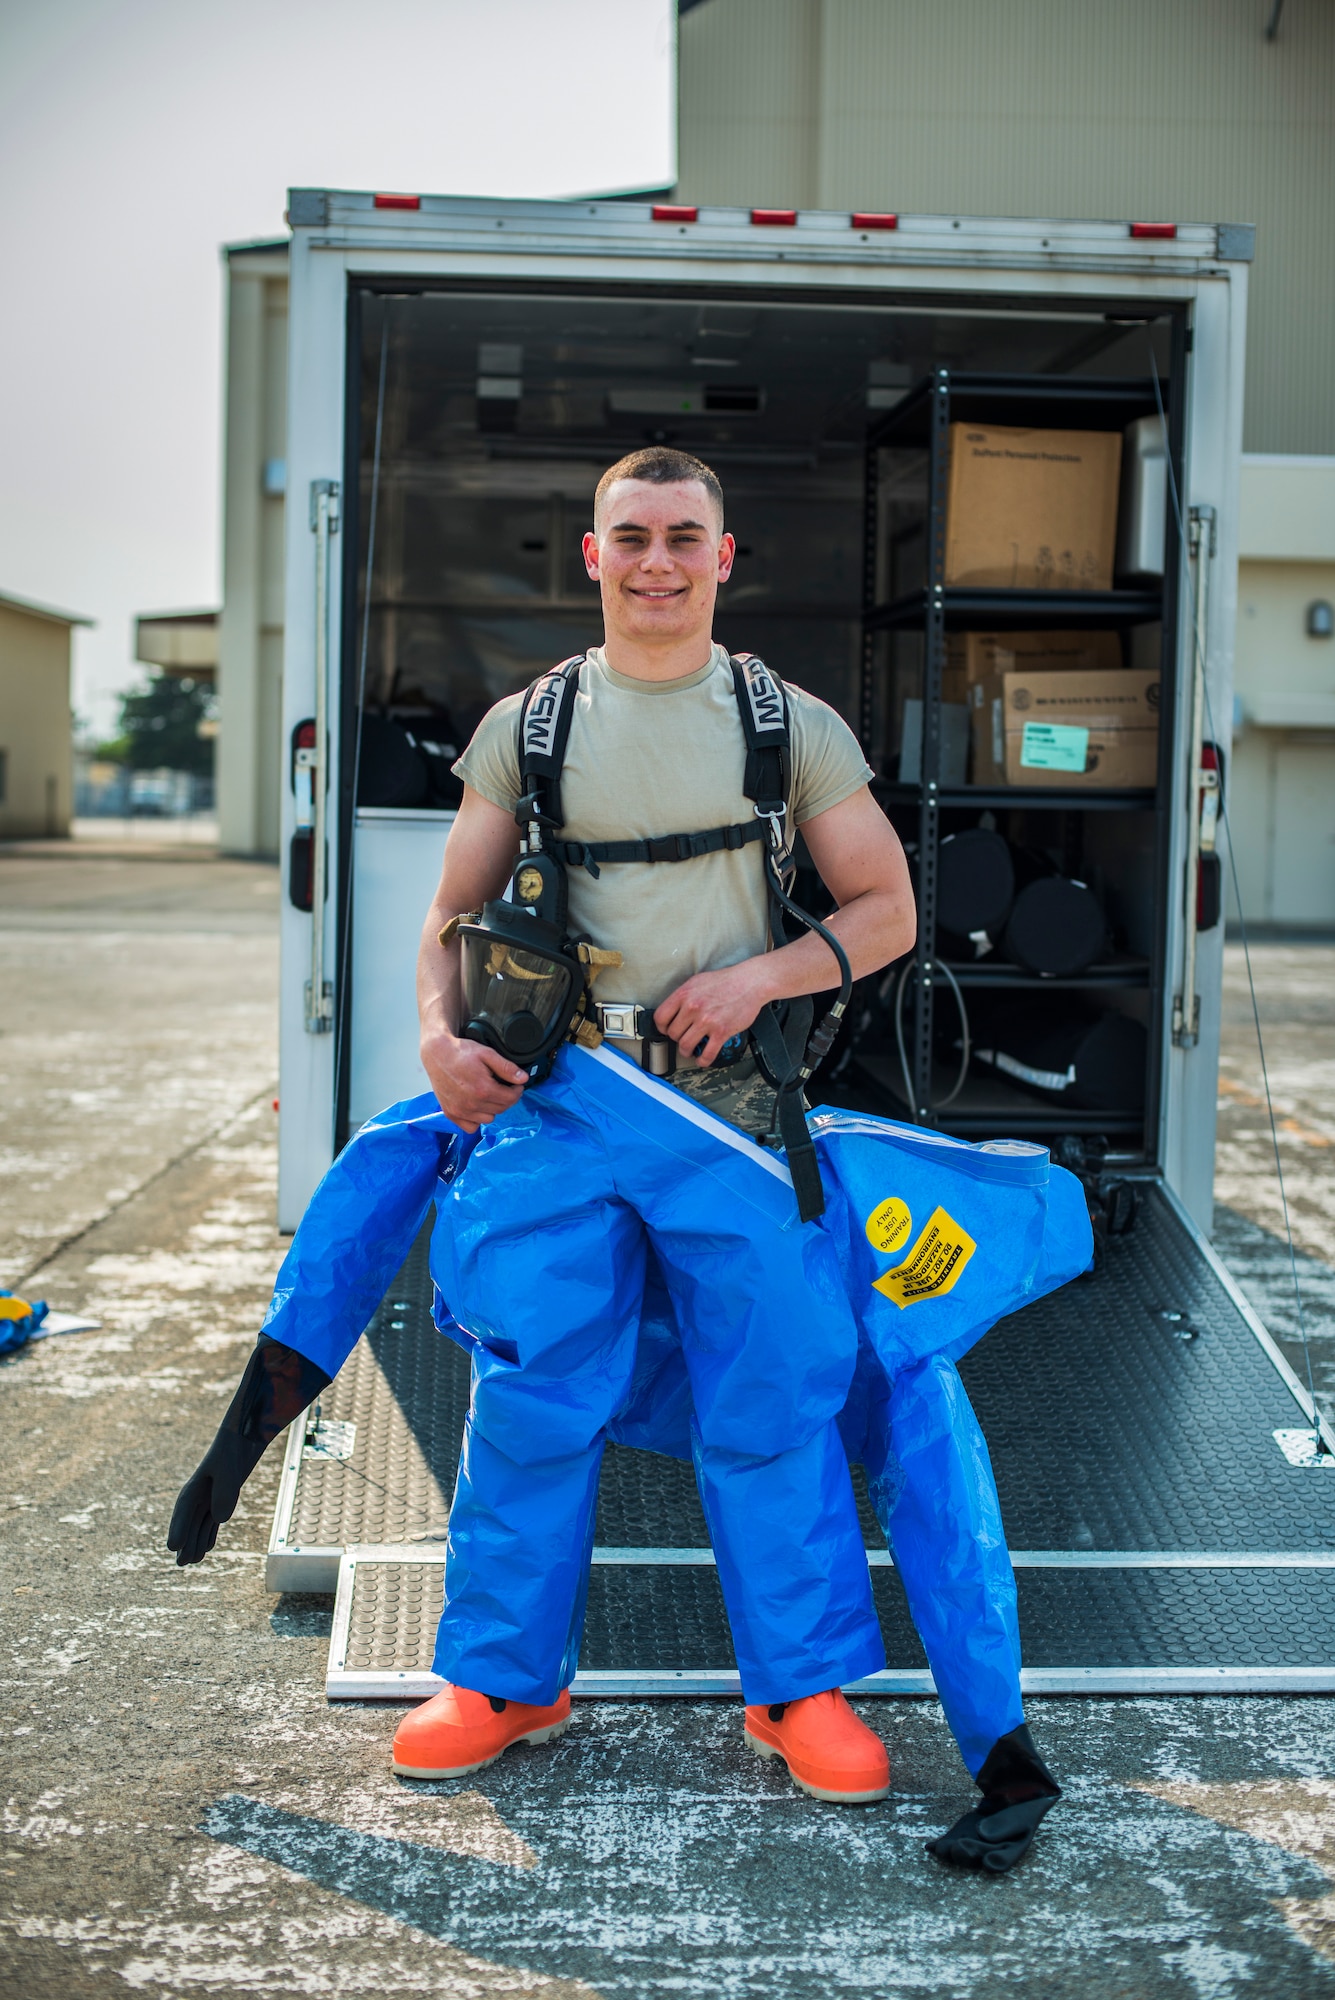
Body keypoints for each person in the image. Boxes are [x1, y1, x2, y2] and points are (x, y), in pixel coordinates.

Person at [170, 446, 1075, 1867]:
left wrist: (768, 979)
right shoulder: (527, 729)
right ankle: (503, 1681)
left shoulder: (792, 726)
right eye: (632, 538)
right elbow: (447, 921)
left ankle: (799, 1692)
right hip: (558, 1114)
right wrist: (433, 1037)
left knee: (773, 1403)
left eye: (685, 537)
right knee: (535, 1397)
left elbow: (887, 908)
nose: (658, 563)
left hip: (733, 1118)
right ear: (592, 558)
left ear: (728, 555)